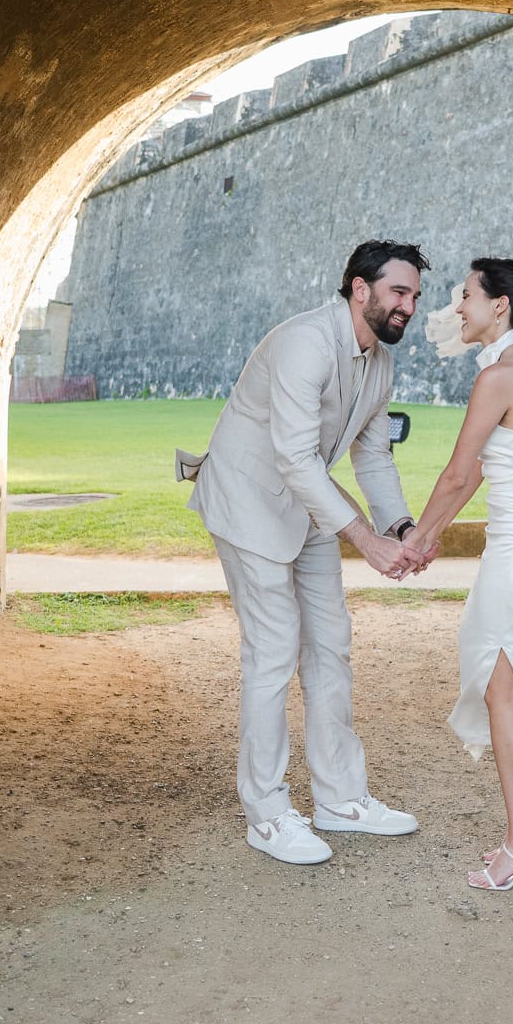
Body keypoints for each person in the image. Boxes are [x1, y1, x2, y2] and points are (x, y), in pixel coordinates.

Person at [178, 241, 433, 865]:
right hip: (249, 500)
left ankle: (341, 800)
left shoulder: (379, 363)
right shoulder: (304, 343)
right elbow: (293, 456)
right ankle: (265, 815)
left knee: (331, 644)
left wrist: (397, 527)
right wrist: (364, 540)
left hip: (310, 505)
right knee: (273, 652)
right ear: (359, 289)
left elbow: (372, 455)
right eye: (399, 292)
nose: (409, 307)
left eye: (416, 297)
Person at [404, 258, 513, 892]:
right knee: (499, 672)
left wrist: (414, 543)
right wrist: (430, 535)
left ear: (499, 305)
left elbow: (456, 472)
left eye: (467, 296)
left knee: (500, 682)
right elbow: (476, 474)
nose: (457, 308)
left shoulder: (501, 374)